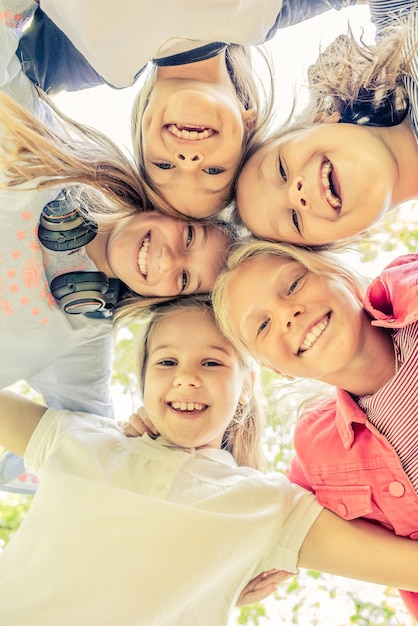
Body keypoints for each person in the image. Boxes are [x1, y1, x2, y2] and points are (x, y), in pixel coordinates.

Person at [2, 296, 418, 625]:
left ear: (245, 385)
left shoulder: (269, 507)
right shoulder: (78, 440)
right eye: (166, 362)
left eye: (212, 362)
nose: (186, 377)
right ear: (142, 380)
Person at [0, 0, 231, 491]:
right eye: (188, 235)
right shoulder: (50, 155)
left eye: (185, 278)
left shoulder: (82, 337)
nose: (169, 256)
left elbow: (87, 451)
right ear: (165, 204)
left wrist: (150, 440)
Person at [211, 239, 418, 618]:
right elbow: (266, 518)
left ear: (339, 275)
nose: (288, 315)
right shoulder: (318, 451)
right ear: (275, 369)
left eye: (291, 286)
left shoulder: (410, 292)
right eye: (262, 325)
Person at [16, 2, 361, 218]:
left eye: (163, 165)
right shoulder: (263, 14)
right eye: (214, 172)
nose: (188, 161)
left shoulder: (94, 60)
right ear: (248, 123)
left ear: (142, 129)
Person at [234, 0, 418, 247]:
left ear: (319, 120)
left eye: (281, 170)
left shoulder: (398, 18)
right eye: (295, 221)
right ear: (344, 239)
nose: (294, 194)